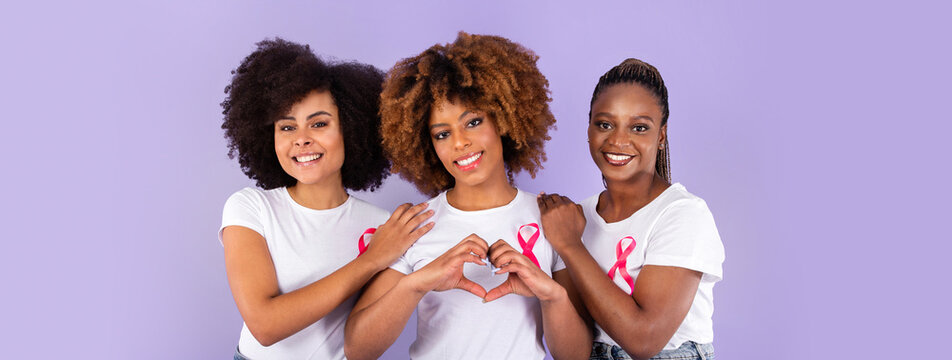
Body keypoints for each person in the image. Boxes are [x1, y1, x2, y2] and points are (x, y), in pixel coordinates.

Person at [344, 32, 592, 360]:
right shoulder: (416, 224)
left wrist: (551, 296)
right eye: (442, 134)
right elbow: (358, 349)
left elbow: (576, 355)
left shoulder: (549, 219)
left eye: (473, 122)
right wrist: (417, 283)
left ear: (503, 118)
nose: (459, 142)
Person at [219, 38, 434, 359]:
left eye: (319, 123)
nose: (302, 139)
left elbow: (363, 344)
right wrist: (371, 260)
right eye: (287, 127)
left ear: (351, 129)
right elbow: (265, 326)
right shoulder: (251, 208)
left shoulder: (385, 228)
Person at [537, 58, 725, 360]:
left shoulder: (683, 214)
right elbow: (573, 353)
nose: (618, 140)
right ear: (588, 130)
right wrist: (546, 291)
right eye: (604, 124)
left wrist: (570, 246)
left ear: (661, 136)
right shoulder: (573, 218)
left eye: (639, 127)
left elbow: (643, 339)